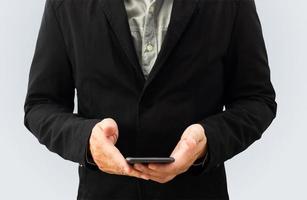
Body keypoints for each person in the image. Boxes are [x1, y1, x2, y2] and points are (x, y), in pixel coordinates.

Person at [24, 0, 277, 199]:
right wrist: (86, 140)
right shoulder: (66, 4)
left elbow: (256, 99)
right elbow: (41, 104)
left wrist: (207, 140)